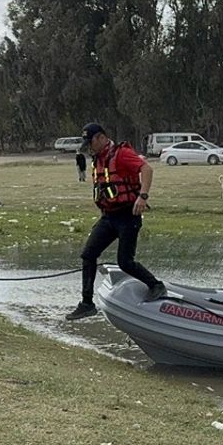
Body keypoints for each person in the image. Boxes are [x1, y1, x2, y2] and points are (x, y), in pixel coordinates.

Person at [66, 122, 164, 321]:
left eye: (91, 142)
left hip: (128, 216)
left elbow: (147, 169)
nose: (89, 147)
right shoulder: (99, 158)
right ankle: (87, 304)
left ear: (101, 137)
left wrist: (142, 197)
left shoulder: (121, 154)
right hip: (108, 217)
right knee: (88, 255)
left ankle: (156, 285)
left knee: (125, 262)